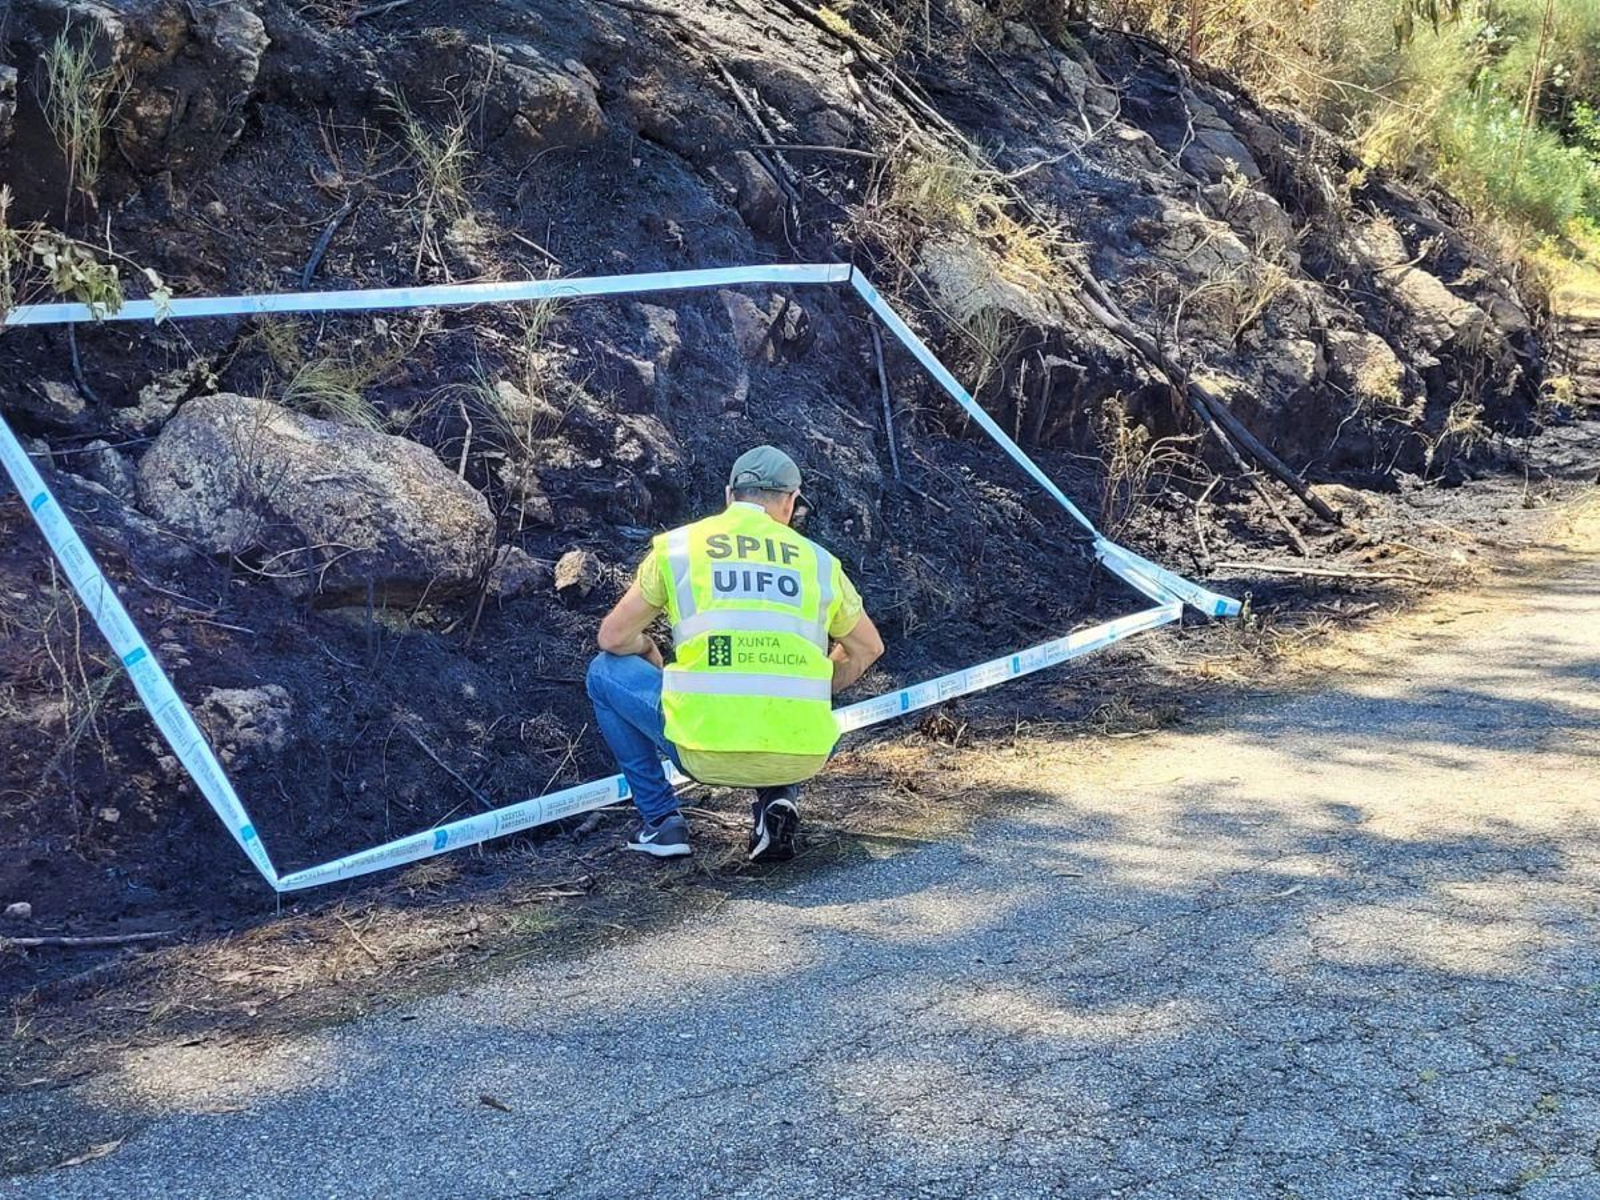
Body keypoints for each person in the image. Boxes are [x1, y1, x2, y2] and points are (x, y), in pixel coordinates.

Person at [586, 445, 885, 861]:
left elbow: (613, 638)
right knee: (776, 679)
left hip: (704, 752)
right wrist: (811, 687)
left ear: (729, 495)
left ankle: (661, 822)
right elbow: (868, 647)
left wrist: (649, 646)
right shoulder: (819, 563)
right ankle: (777, 798)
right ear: (790, 501)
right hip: (801, 755)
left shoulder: (679, 549)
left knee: (604, 672)